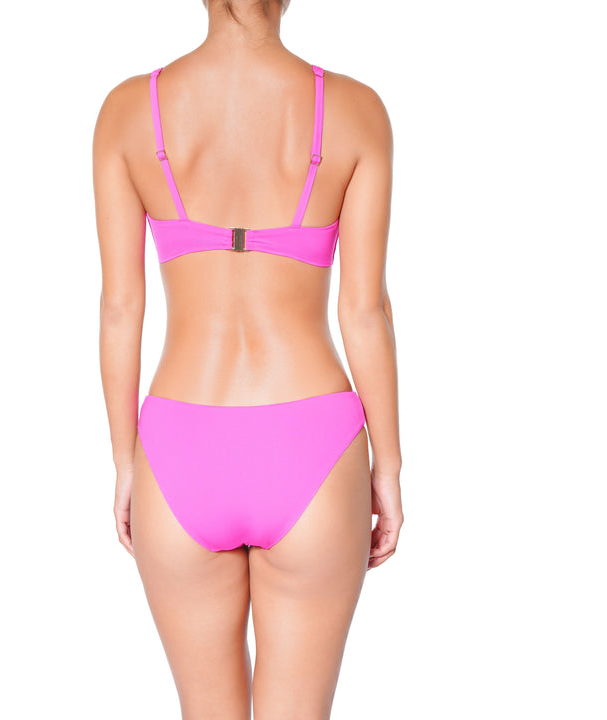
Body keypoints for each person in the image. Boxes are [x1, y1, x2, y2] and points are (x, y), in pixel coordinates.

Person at [92, 0, 403, 716]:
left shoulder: (127, 112)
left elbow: (119, 309)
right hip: (313, 446)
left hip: (180, 445)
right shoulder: (356, 110)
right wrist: (388, 467)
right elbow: (364, 312)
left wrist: (125, 463)